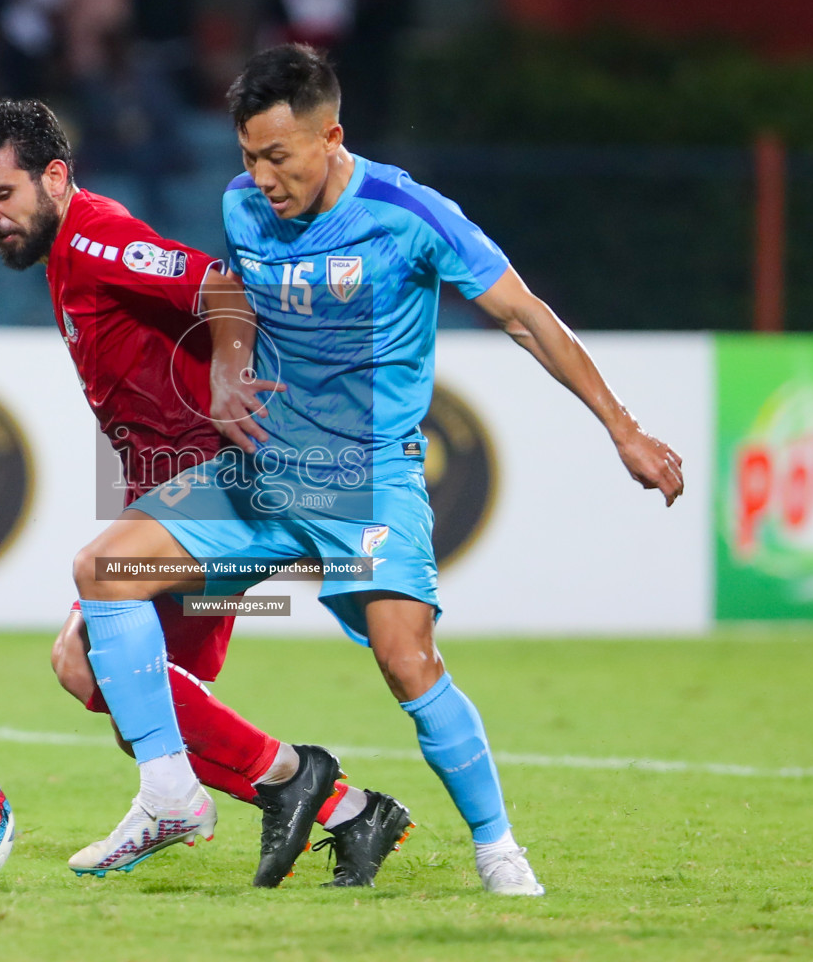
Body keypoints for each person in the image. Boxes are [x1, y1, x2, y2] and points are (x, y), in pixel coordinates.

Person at [69, 44, 686, 896]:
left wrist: (624, 429)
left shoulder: (408, 213)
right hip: (260, 478)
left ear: (332, 137)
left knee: (408, 663)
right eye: (248, 155)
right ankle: (172, 795)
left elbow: (525, 315)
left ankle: (499, 850)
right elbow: (233, 297)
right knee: (104, 572)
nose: (261, 177)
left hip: (366, 482)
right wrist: (227, 364)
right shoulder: (243, 205)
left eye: (278, 156)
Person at [0, 99, 413, 888]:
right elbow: (22, 215)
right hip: (176, 488)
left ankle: (214, 795)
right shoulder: (66, 232)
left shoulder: (96, 239)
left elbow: (221, 288)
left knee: (97, 664)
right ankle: (341, 807)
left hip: (221, 487)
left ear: (55, 178)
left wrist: (229, 376)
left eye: (1, 198)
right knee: (128, 695)